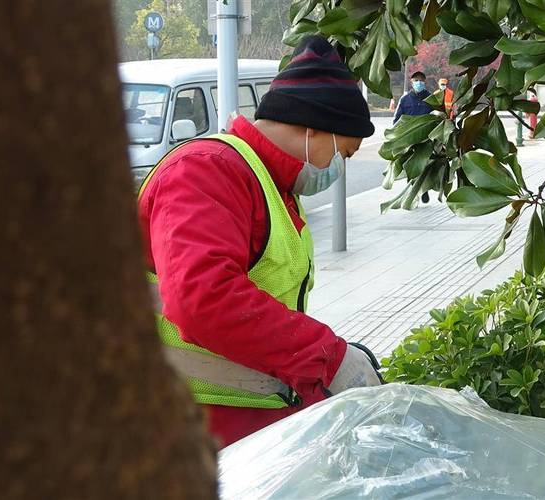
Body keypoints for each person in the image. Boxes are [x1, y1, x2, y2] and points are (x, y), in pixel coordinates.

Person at [137, 35, 382, 447]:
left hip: (245, 424)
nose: (339, 165)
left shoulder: (274, 185)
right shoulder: (206, 171)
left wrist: (328, 366)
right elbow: (204, 299)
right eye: (346, 151)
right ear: (313, 126)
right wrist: (329, 358)